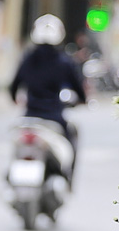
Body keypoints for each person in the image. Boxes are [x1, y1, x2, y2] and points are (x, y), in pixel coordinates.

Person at [9, 12, 86, 142]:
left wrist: (15, 99)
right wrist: (83, 99)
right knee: (69, 138)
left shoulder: (28, 58)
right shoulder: (64, 61)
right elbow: (77, 86)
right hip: (54, 117)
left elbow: (14, 86)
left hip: (30, 115)